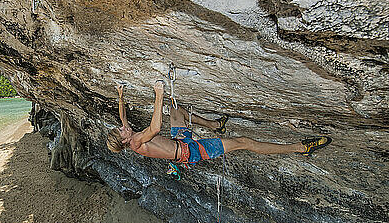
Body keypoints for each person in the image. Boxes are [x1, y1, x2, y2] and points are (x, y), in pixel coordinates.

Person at [106, 82, 331, 165]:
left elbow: (123, 116)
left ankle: (214, 125)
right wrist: (158, 95)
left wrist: (120, 96)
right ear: (125, 140)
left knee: (177, 111)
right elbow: (155, 128)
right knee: (244, 142)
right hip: (191, 152)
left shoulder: (129, 135)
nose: (123, 127)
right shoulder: (136, 141)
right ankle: (301, 148)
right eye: (121, 131)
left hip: (179, 141)